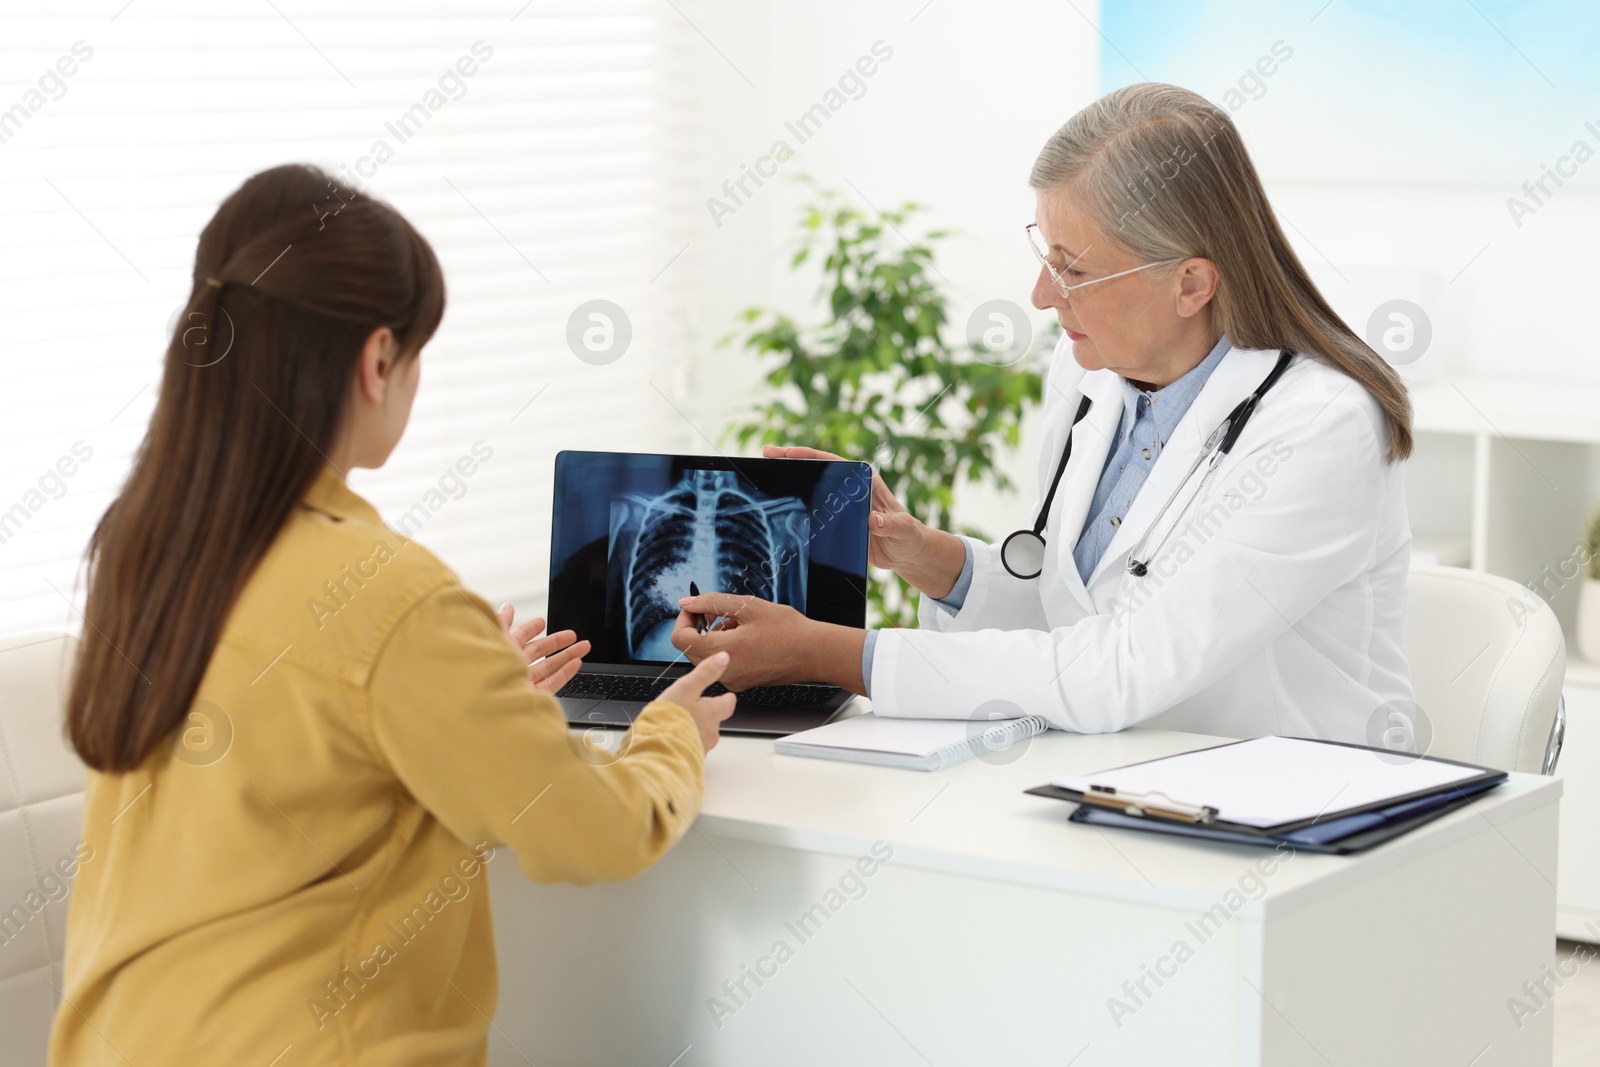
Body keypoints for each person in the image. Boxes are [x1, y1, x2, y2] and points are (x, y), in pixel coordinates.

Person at [50, 164, 734, 1066]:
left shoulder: (147, 549)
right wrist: (670, 732)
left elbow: (292, 743)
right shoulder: (389, 598)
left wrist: (466, 694)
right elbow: (592, 832)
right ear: (379, 361)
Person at [672, 82, 1413, 742]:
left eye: (1075, 269)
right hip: (1121, 781)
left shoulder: (1320, 425)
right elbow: (1077, 615)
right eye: (1046, 255)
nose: (1041, 296)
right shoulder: (1093, 370)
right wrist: (932, 559)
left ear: (1191, 284)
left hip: (1295, 817)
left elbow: (1126, 662)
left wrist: (829, 653)